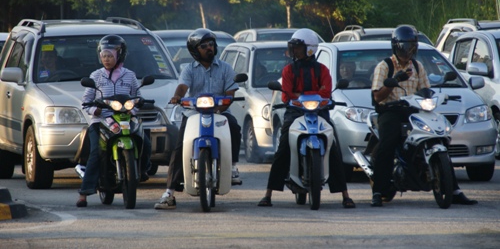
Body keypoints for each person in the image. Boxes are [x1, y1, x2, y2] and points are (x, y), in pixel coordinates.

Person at [370, 25, 478, 207]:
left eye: (411, 46)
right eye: (404, 46)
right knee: (387, 145)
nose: (408, 51)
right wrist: (395, 80)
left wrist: (432, 97)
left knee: (440, 138)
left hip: (415, 111)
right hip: (391, 111)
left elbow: (426, 90)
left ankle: (454, 189)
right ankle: (379, 191)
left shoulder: (418, 67)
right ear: (396, 46)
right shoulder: (385, 66)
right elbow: (377, 96)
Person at [257, 28, 356, 208]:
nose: (294, 50)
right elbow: (287, 96)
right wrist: (312, 95)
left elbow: (326, 93)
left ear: (310, 49)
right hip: (295, 113)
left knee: (333, 148)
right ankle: (268, 194)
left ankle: (345, 195)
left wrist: (302, 95)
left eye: (298, 47)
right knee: (283, 147)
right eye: (293, 47)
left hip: (320, 112)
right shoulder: (288, 70)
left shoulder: (323, 70)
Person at [154, 28, 243, 210]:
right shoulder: (189, 69)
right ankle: (169, 193)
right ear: (195, 50)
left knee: (234, 126)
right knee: (179, 148)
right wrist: (177, 97)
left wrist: (221, 107)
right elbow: (182, 87)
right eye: (204, 46)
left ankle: (233, 167)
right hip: (194, 114)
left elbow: (230, 93)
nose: (209, 48)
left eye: (211, 44)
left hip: (219, 111)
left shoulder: (225, 68)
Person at [76, 35, 151, 207]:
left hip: (125, 118)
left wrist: (135, 107)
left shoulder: (130, 76)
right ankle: (84, 193)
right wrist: (97, 110)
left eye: (110, 55)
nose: (107, 59)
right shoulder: (96, 76)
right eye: (104, 55)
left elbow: (138, 98)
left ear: (120, 56)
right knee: (96, 152)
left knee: (145, 142)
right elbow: (85, 102)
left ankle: (142, 170)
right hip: (101, 120)